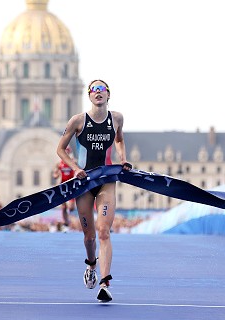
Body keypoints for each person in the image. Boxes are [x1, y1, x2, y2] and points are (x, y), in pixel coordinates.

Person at [56, 79, 130, 303]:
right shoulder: (78, 121)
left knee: (104, 231)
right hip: (85, 182)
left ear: (108, 95)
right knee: (89, 237)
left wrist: (123, 160)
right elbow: (60, 149)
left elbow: (119, 140)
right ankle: (91, 266)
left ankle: (105, 283)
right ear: (89, 96)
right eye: (94, 90)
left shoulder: (116, 118)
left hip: (106, 180)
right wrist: (76, 168)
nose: (98, 92)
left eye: (102, 89)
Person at [53, 146, 76, 232]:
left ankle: (68, 218)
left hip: (71, 186)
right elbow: (55, 175)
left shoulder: (73, 162)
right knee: (63, 207)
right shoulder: (59, 164)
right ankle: (66, 224)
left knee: (71, 207)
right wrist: (56, 175)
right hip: (62, 186)